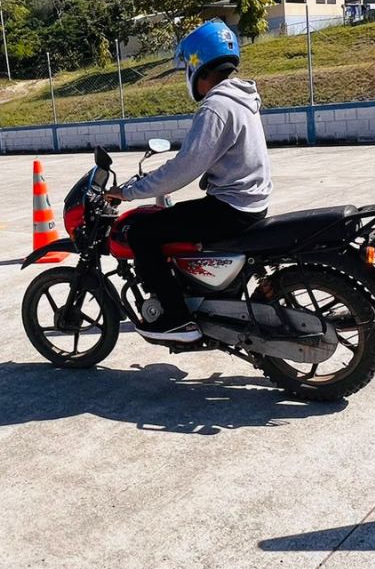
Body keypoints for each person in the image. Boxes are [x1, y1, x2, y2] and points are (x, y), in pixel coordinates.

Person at [105, 20, 272, 343]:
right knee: (174, 220)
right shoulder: (242, 97)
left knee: (142, 233)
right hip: (249, 202)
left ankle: (177, 319)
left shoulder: (217, 106)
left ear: (198, 64)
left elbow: (185, 168)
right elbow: (203, 159)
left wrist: (129, 192)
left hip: (231, 207)